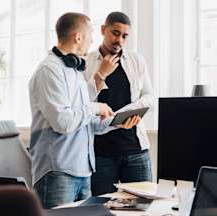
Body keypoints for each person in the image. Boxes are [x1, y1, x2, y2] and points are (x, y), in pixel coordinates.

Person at [28, 12, 139, 209]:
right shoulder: (49, 70)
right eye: (89, 35)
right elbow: (64, 122)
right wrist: (96, 107)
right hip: (58, 171)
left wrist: (115, 123)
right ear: (78, 37)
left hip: (83, 170)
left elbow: (84, 121)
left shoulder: (74, 70)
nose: (92, 40)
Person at [84, 11, 155, 196]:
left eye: (125, 36)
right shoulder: (86, 62)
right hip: (101, 154)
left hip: (136, 151)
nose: (120, 40)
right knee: (103, 209)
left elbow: (148, 96)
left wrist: (126, 115)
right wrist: (100, 74)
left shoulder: (136, 60)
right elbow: (81, 105)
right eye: (115, 33)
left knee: (144, 206)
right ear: (102, 30)